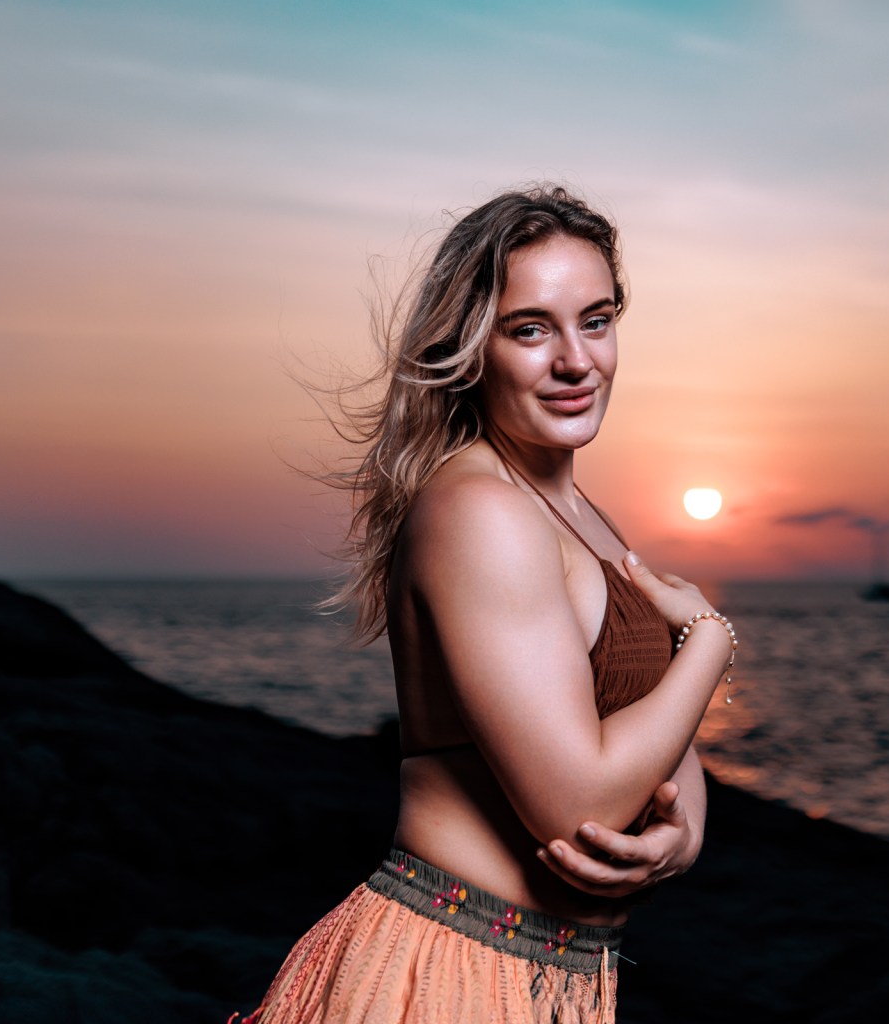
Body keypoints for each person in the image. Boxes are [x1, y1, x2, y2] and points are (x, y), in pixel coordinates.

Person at [237, 185, 736, 1023]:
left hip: (550, 979)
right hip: (446, 973)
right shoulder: (481, 511)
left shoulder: (582, 518)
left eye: (597, 320)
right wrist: (710, 642)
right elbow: (581, 807)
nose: (576, 361)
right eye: (530, 329)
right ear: (470, 349)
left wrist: (679, 840)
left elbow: (659, 756)